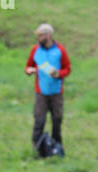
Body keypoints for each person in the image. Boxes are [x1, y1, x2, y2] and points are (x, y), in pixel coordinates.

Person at [25, 22, 70, 156]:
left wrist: (59, 74)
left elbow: (67, 68)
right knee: (39, 120)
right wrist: (30, 70)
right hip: (41, 92)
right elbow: (27, 67)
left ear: (49, 36)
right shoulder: (35, 50)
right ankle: (37, 149)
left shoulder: (60, 50)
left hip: (56, 92)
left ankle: (57, 148)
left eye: (40, 36)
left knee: (57, 120)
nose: (38, 38)